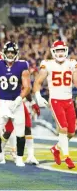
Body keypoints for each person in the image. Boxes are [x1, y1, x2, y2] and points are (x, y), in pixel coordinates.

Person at [0, 49, 39, 165]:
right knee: (9, 129)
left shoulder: (12, 68)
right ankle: (4, 153)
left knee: (22, 127)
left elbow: (24, 87)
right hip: (1, 102)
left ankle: (24, 154)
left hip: (12, 100)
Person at [33, 40, 77, 169]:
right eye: (57, 50)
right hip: (56, 100)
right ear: (53, 51)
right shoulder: (48, 64)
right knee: (62, 129)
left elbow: (76, 81)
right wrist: (37, 95)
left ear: (66, 51)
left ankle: (56, 148)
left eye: (62, 50)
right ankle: (67, 157)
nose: (60, 53)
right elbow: (38, 81)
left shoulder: (72, 63)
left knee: (71, 132)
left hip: (69, 100)